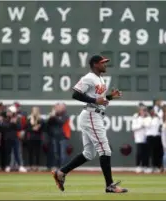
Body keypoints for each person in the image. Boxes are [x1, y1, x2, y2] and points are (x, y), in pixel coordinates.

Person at [52, 55, 128, 193]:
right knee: (105, 150)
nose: (105, 64)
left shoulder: (99, 78)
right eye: (102, 62)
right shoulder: (89, 77)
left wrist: (110, 97)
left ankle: (61, 172)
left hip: (93, 114)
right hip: (91, 115)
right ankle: (110, 185)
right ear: (95, 64)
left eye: (105, 62)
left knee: (89, 153)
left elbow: (99, 99)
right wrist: (94, 100)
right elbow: (75, 94)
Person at [143, 106, 162, 173]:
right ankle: (148, 167)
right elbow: (147, 125)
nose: (152, 112)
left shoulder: (157, 118)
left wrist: (157, 117)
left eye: (153, 111)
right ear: (149, 112)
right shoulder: (146, 119)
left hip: (156, 137)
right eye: (151, 111)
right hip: (149, 137)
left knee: (156, 153)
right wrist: (151, 118)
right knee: (149, 153)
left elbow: (161, 124)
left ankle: (156, 167)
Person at [26, 107, 44, 171]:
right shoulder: (29, 119)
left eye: (36, 110)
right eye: (34, 110)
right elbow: (27, 128)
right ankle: (30, 166)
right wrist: (33, 128)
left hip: (38, 138)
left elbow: (42, 128)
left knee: (37, 153)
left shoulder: (41, 119)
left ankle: (37, 166)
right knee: (30, 152)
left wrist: (38, 127)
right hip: (30, 138)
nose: (35, 111)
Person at [131, 106, 148, 173]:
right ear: (139, 111)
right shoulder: (136, 118)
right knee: (139, 153)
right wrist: (141, 126)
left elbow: (149, 126)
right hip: (138, 138)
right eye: (142, 110)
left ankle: (145, 166)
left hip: (146, 138)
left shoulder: (148, 118)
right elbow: (133, 127)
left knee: (145, 153)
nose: (143, 112)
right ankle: (138, 166)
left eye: (144, 110)